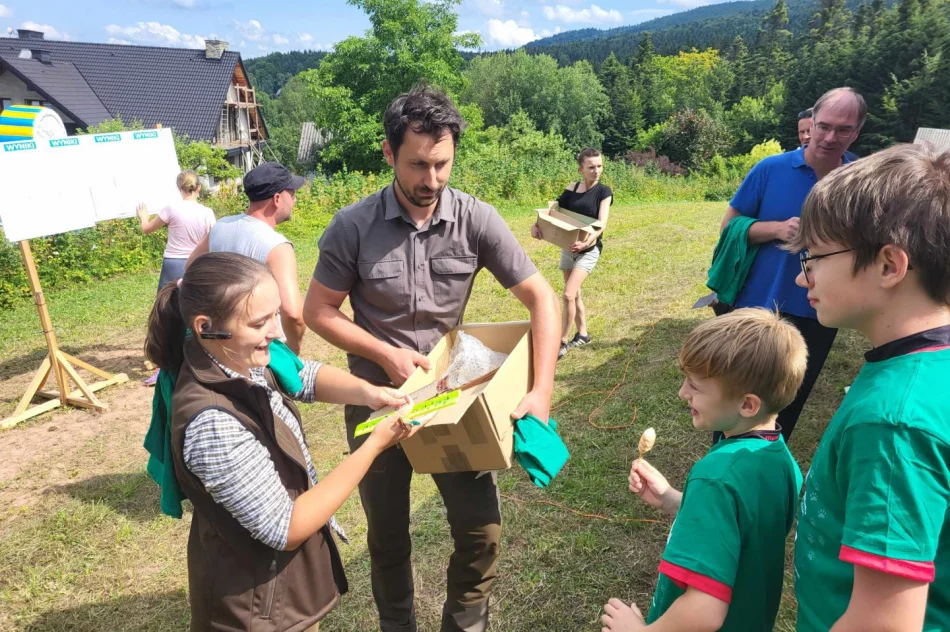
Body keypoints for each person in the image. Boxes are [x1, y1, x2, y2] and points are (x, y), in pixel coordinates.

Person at [303, 85, 560, 632]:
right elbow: (318, 311)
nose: (431, 180)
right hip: (378, 403)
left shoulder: (476, 219)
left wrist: (540, 392)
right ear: (388, 153)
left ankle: (463, 625)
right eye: (418, 164)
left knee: (480, 531)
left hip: (455, 400)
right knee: (388, 536)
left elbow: (542, 297)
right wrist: (383, 353)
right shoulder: (352, 227)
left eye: (442, 164)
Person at [146, 251, 420, 632]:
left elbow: (302, 375)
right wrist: (374, 445)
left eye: (275, 314)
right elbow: (286, 527)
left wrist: (369, 393)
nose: (277, 331)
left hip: (279, 593)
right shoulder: (212, 423)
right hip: (255, 609)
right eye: (260, 322)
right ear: (206, 325)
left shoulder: (235, 354)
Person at [789, 143, 950, 632]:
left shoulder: (893, 422)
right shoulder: (923, 368)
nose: (802, 278)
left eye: (814, 257)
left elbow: (881, 625)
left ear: (888, 266)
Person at [601, 308, 807, 631]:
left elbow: (705, 609)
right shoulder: (783, 462)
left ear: (747, 405)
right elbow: (741, 528)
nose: (683, 392)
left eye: (695, 386)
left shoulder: (715, 477)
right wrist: (672, 499)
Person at [717, 86, 866, 442]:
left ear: (857, 131)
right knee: (739, 393)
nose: (831, 137)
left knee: (790, 397)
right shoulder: (771, 169)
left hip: (820, 310)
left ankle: (766, 465)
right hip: (758, 304)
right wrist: (776, 229)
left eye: (843, 129)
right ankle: (722, 461)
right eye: (824, 125)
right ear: (810, 124)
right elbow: (728, 229)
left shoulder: (859, 180)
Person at [187, 162, 307, 354]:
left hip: (222, 341)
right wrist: (292, 350)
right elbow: (293, 314)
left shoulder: (221, 226)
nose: (294, 200)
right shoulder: (277, 246)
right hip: (263, 346)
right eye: (291, 194)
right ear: (277, 198)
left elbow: (190, 269)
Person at [531, 148, 612, 359]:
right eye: (591, 167)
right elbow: (553, 212)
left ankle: (562, 341)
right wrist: (536, 225)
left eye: (599, 166)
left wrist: (587, 244)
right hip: (568, 249)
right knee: (574, 294)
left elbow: (601, 225)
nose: (596, 171)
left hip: (589, 250)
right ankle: (583, 334)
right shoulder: (572, 188)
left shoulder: (604, 192)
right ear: (581, 169)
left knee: (567, 294)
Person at [136, 169, 216, 385]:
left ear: (179, 188)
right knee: (199, 311)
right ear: (198, 188)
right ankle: (204, 358)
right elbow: (213, 239)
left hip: (173, 264)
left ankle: (164, 366)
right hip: (197, 263)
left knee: (167, 314)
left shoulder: (170, 209)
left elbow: (147, 229)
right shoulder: (207, 212)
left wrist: (143, 216)